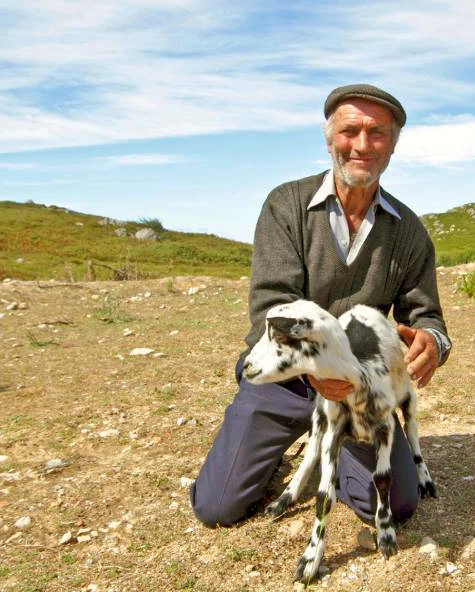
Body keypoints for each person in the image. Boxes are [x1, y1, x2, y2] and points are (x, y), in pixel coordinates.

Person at [191, 84, 451, 527]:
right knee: (217, 508)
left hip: (355, 388)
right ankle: (277, 441)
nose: (363, 145)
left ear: (393, 144)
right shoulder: (286, 205)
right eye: (351, 130)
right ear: (329, 137)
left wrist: (431, 341)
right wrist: (315, 368)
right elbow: (273, 306)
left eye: (378, 133)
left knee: (396, 507)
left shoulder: (408, 230)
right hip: (285, 379)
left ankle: (336, 450)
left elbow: (425, 315)